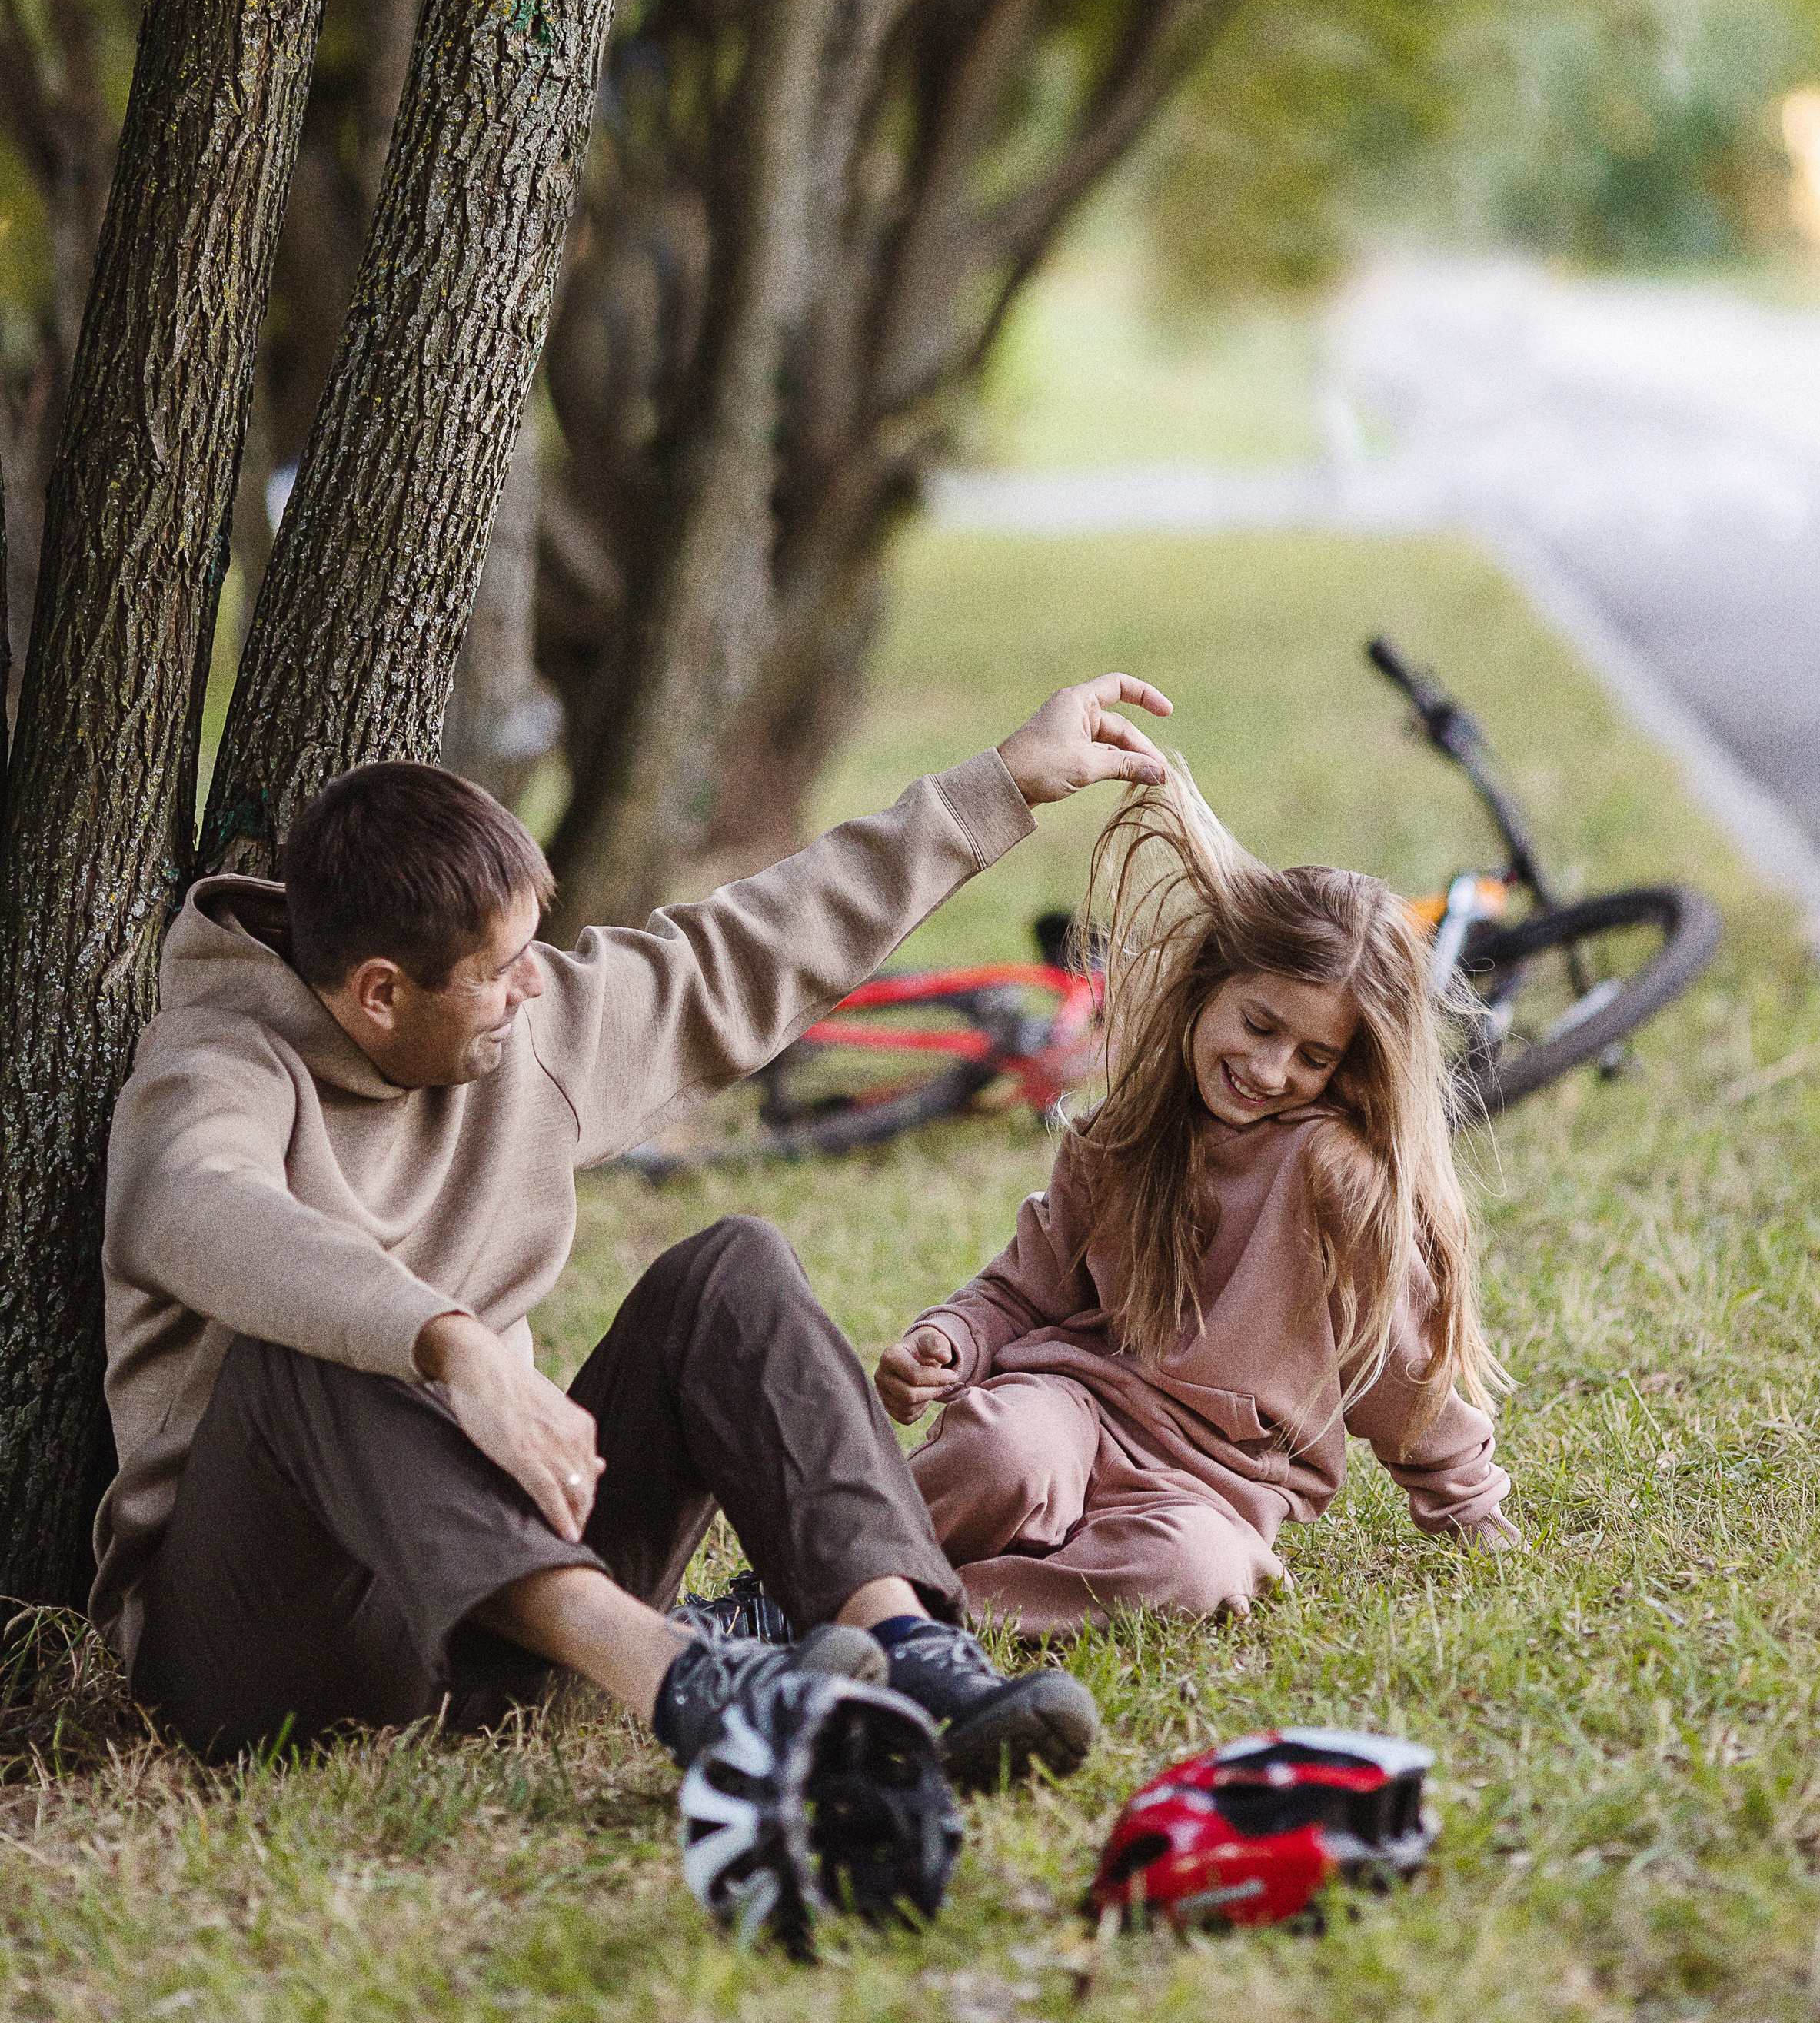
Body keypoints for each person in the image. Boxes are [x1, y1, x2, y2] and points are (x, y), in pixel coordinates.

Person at [92, 674, 1171, 1782]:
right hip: (277, 1654)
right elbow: (195, 1204)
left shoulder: (513, 1034)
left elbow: (741, 951)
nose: (533, 991)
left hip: (505, 1624)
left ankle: (907, 1649)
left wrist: (995, 789)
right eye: (500, 973)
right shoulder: (211, 1069)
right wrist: (452, 1346)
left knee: (731, 1269)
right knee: (306, 1349)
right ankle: (695, 1688)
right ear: (379, 994)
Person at [875, 766, 1518, 1635]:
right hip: (1076, 1407)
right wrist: (951, 1337)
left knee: (1194, 1571)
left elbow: (1399, 1364)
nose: (1269, 1070)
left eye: (1311, 1056)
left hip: (1220, 1486)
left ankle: (923, 1618)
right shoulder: (1118, 1139)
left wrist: (1469, 1505)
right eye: (1258, 1025)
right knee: (1002, 1448)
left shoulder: (1332, 1175)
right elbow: (1023, 1293)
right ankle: (844, 1569)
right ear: (1209, 983)